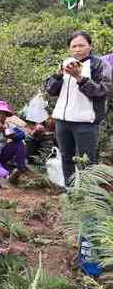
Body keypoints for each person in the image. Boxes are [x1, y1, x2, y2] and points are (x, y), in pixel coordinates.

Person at [45, 31, 111, 184]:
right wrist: (58, 74)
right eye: (74, 46)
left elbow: (104, 91)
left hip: (85, 122)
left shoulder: (99, 64)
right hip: (62, 120)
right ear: (69, 49)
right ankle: (70, 192)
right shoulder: (66, 63)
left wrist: (80, 78)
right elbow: (51, 91)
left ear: (90, 46)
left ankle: (88, 196)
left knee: (87, 162)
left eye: (81, 45)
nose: (77, 49)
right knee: (66, 158)